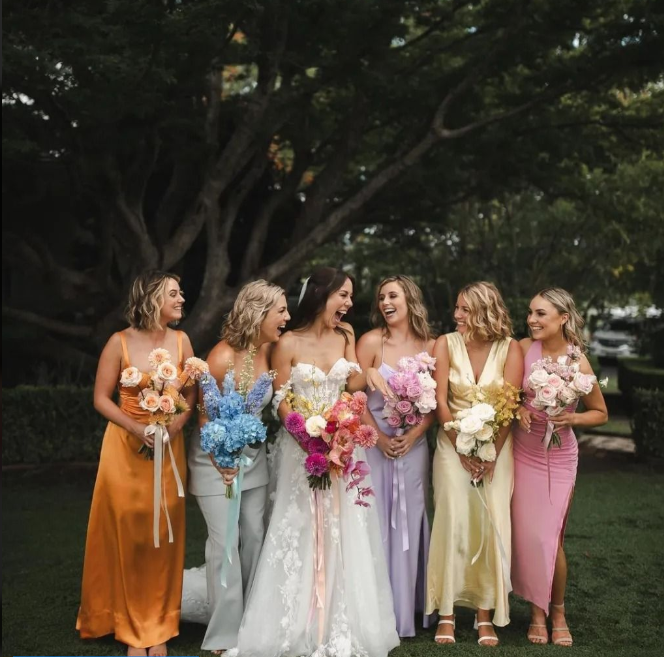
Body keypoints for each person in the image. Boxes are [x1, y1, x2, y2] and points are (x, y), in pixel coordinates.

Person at [230, 267, 399, 657]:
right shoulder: (287, 342)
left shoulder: (346, 336)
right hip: (300, 450)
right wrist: (307, 439)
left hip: (342, 447)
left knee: (344, 528)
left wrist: (367, 378)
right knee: (300, 525)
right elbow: (280, 399)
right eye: (344, 295)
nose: (349, 303)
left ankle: (341, 620)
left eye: (350, 296)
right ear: (322, 294)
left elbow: (350, 387)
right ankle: (296, 621)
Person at [77, 270, 195, 657]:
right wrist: (137, 428)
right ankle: (128, 626)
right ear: (152, 299)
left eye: (180, 293)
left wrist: (173, 427)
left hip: (168, 448)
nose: (181, 299)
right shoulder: (119, 342)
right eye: (173, 293)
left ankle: (159, 625)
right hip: (125, 448)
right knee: (127, 531)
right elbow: (101, 398)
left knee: (164, 531)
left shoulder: (182, 341)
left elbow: (190, 396)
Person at [181, 280, 290, 653]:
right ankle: (224, 632)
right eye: (281, 311)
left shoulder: (270, 350)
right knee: (225, 541)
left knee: (254, 534)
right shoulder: (221, 356)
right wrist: (221, 462)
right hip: (214, 460)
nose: (287, 317)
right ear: (259, 313)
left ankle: (251, 620)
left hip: (253, 456)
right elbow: (204, 419)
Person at [426, 281, 523, 647]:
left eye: (464, 309)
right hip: (452, 447)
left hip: (497, 449)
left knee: (490, 521)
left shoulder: (510, 348)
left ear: (484, 311)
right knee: (452, 520)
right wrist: (461, 448)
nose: (457, 315)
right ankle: (447, 611)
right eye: (457, 308)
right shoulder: (445, 343)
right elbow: (440, 400)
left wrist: (490, 452)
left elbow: (510, 405)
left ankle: (485, 613)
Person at [511, 288, 608, 647]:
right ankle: (536, 613)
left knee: (549, 538)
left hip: (559, 457)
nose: (532, 320)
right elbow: (509, 394)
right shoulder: (523, 348)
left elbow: (601, 413)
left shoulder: (577, 361)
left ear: (563, 318)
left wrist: (573, 417)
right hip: (523, 452)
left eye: (540, 314)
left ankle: (558, 611)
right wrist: (518, 410)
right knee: (526, 535)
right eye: (530, 313)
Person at [356, 275, 436, 637]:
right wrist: (378, 439)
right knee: (376, 519)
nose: (385, 302)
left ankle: (409, 607)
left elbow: (436, 404)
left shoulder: (431, 346)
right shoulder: (372, 342)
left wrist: (413, 436)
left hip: (413, 448)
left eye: (393, 295)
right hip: (375, 445)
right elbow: (355, 397)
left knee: (410, 518)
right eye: (381, 297)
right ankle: (377, 608)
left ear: (410, 299)